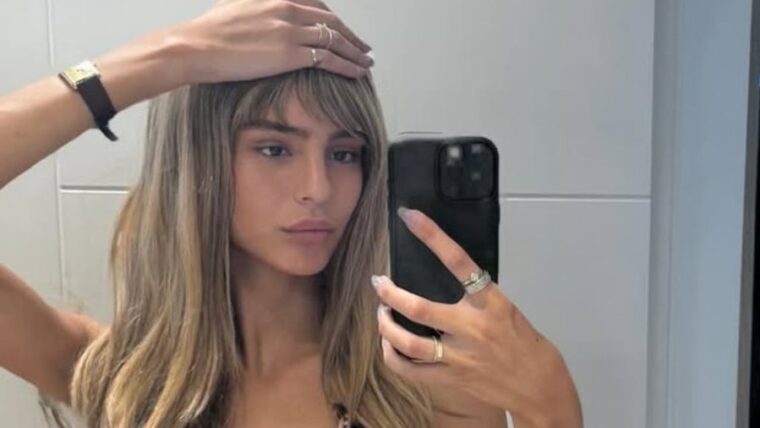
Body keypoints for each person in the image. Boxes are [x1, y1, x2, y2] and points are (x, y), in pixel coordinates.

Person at [0, 1, 583, 427]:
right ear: (199, 159)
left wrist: (551, 405)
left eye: (344, 153)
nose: (317, 188)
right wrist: (169, 56)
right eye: (274, 148)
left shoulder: (422, 384)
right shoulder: (122, 378)